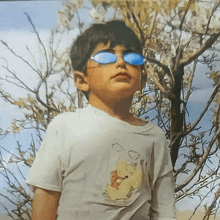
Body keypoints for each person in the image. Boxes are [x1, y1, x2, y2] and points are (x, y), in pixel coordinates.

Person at [26, 20, 176, 220]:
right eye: (106, 57)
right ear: (82, 80)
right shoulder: (65, 127)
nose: (121, 62)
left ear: (142, 80)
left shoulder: (153, 137)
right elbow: (46, 196)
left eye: (132, 57)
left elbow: (164, 211)